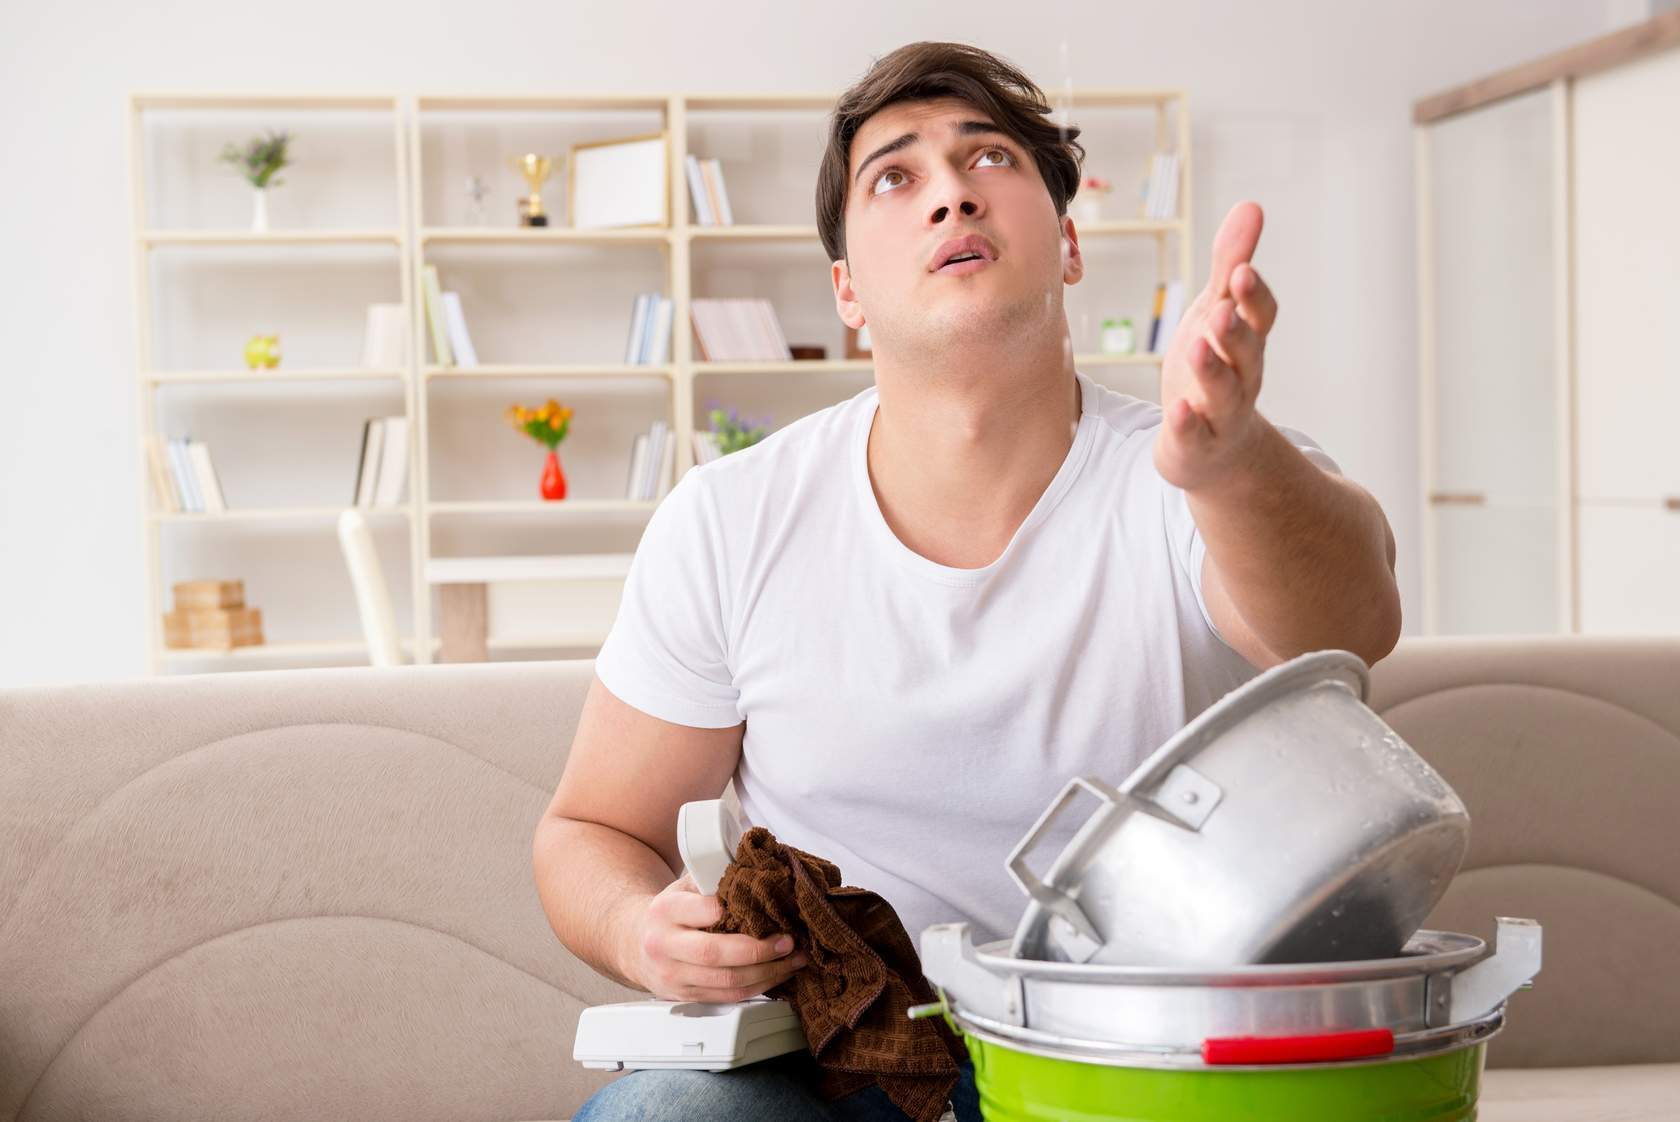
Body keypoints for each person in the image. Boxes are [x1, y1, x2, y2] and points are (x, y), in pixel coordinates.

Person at [534, 40, 1401, 1122]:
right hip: (829, 1064)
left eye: (987, 159)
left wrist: (1229, 466)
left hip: (1132, 1063)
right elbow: (591, 830)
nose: (948, 193)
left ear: (1069, 243)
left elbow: (1352, 625)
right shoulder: (730, 519)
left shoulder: (1206, 470)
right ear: (847, 290)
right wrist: (637, 930)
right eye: (895, 175)